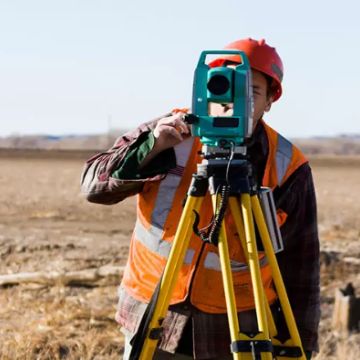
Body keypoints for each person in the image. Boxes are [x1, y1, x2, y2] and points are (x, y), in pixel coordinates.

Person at [81, 38, 320, 359]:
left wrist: (299, 345)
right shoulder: (171, 133)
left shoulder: (286, 164)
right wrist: (152, 146)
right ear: (207, 88)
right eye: (228, 86)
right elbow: (94, 187)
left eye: (252, 92)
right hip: (155, 315)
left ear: (269, 101)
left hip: (237, 327)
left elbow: (301, 265)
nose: (238, 101)